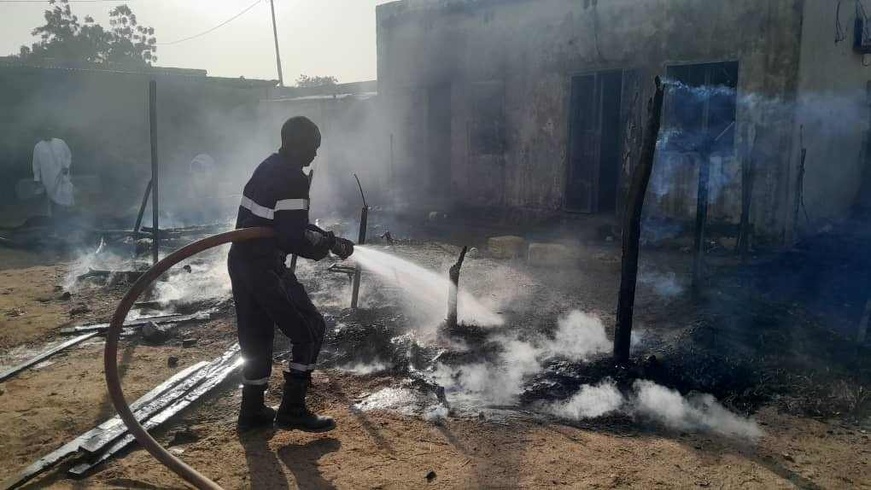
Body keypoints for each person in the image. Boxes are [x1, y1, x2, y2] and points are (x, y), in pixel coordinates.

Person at [228, 116, 355, 432]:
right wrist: (326, 245)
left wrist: (326, 239)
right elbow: (292, 237)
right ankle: (293, 408)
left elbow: (283, 225)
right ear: (296, 144)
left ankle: (252, 412)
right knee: (310, 328)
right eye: (312, 147)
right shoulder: (293, 179)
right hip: (265, 267)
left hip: (243, 261)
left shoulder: (268, 167)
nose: (314, 155)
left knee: (256, 339)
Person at [31, 129, 74, 217]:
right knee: (52, 196)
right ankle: (54, 218)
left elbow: (68, 155)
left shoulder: (60, 142)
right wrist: (37, 178)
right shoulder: (38, 147)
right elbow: (36, 164)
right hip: (48, 177)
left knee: (66, 193)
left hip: (62, 175)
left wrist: (66, 166)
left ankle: (66, 215)